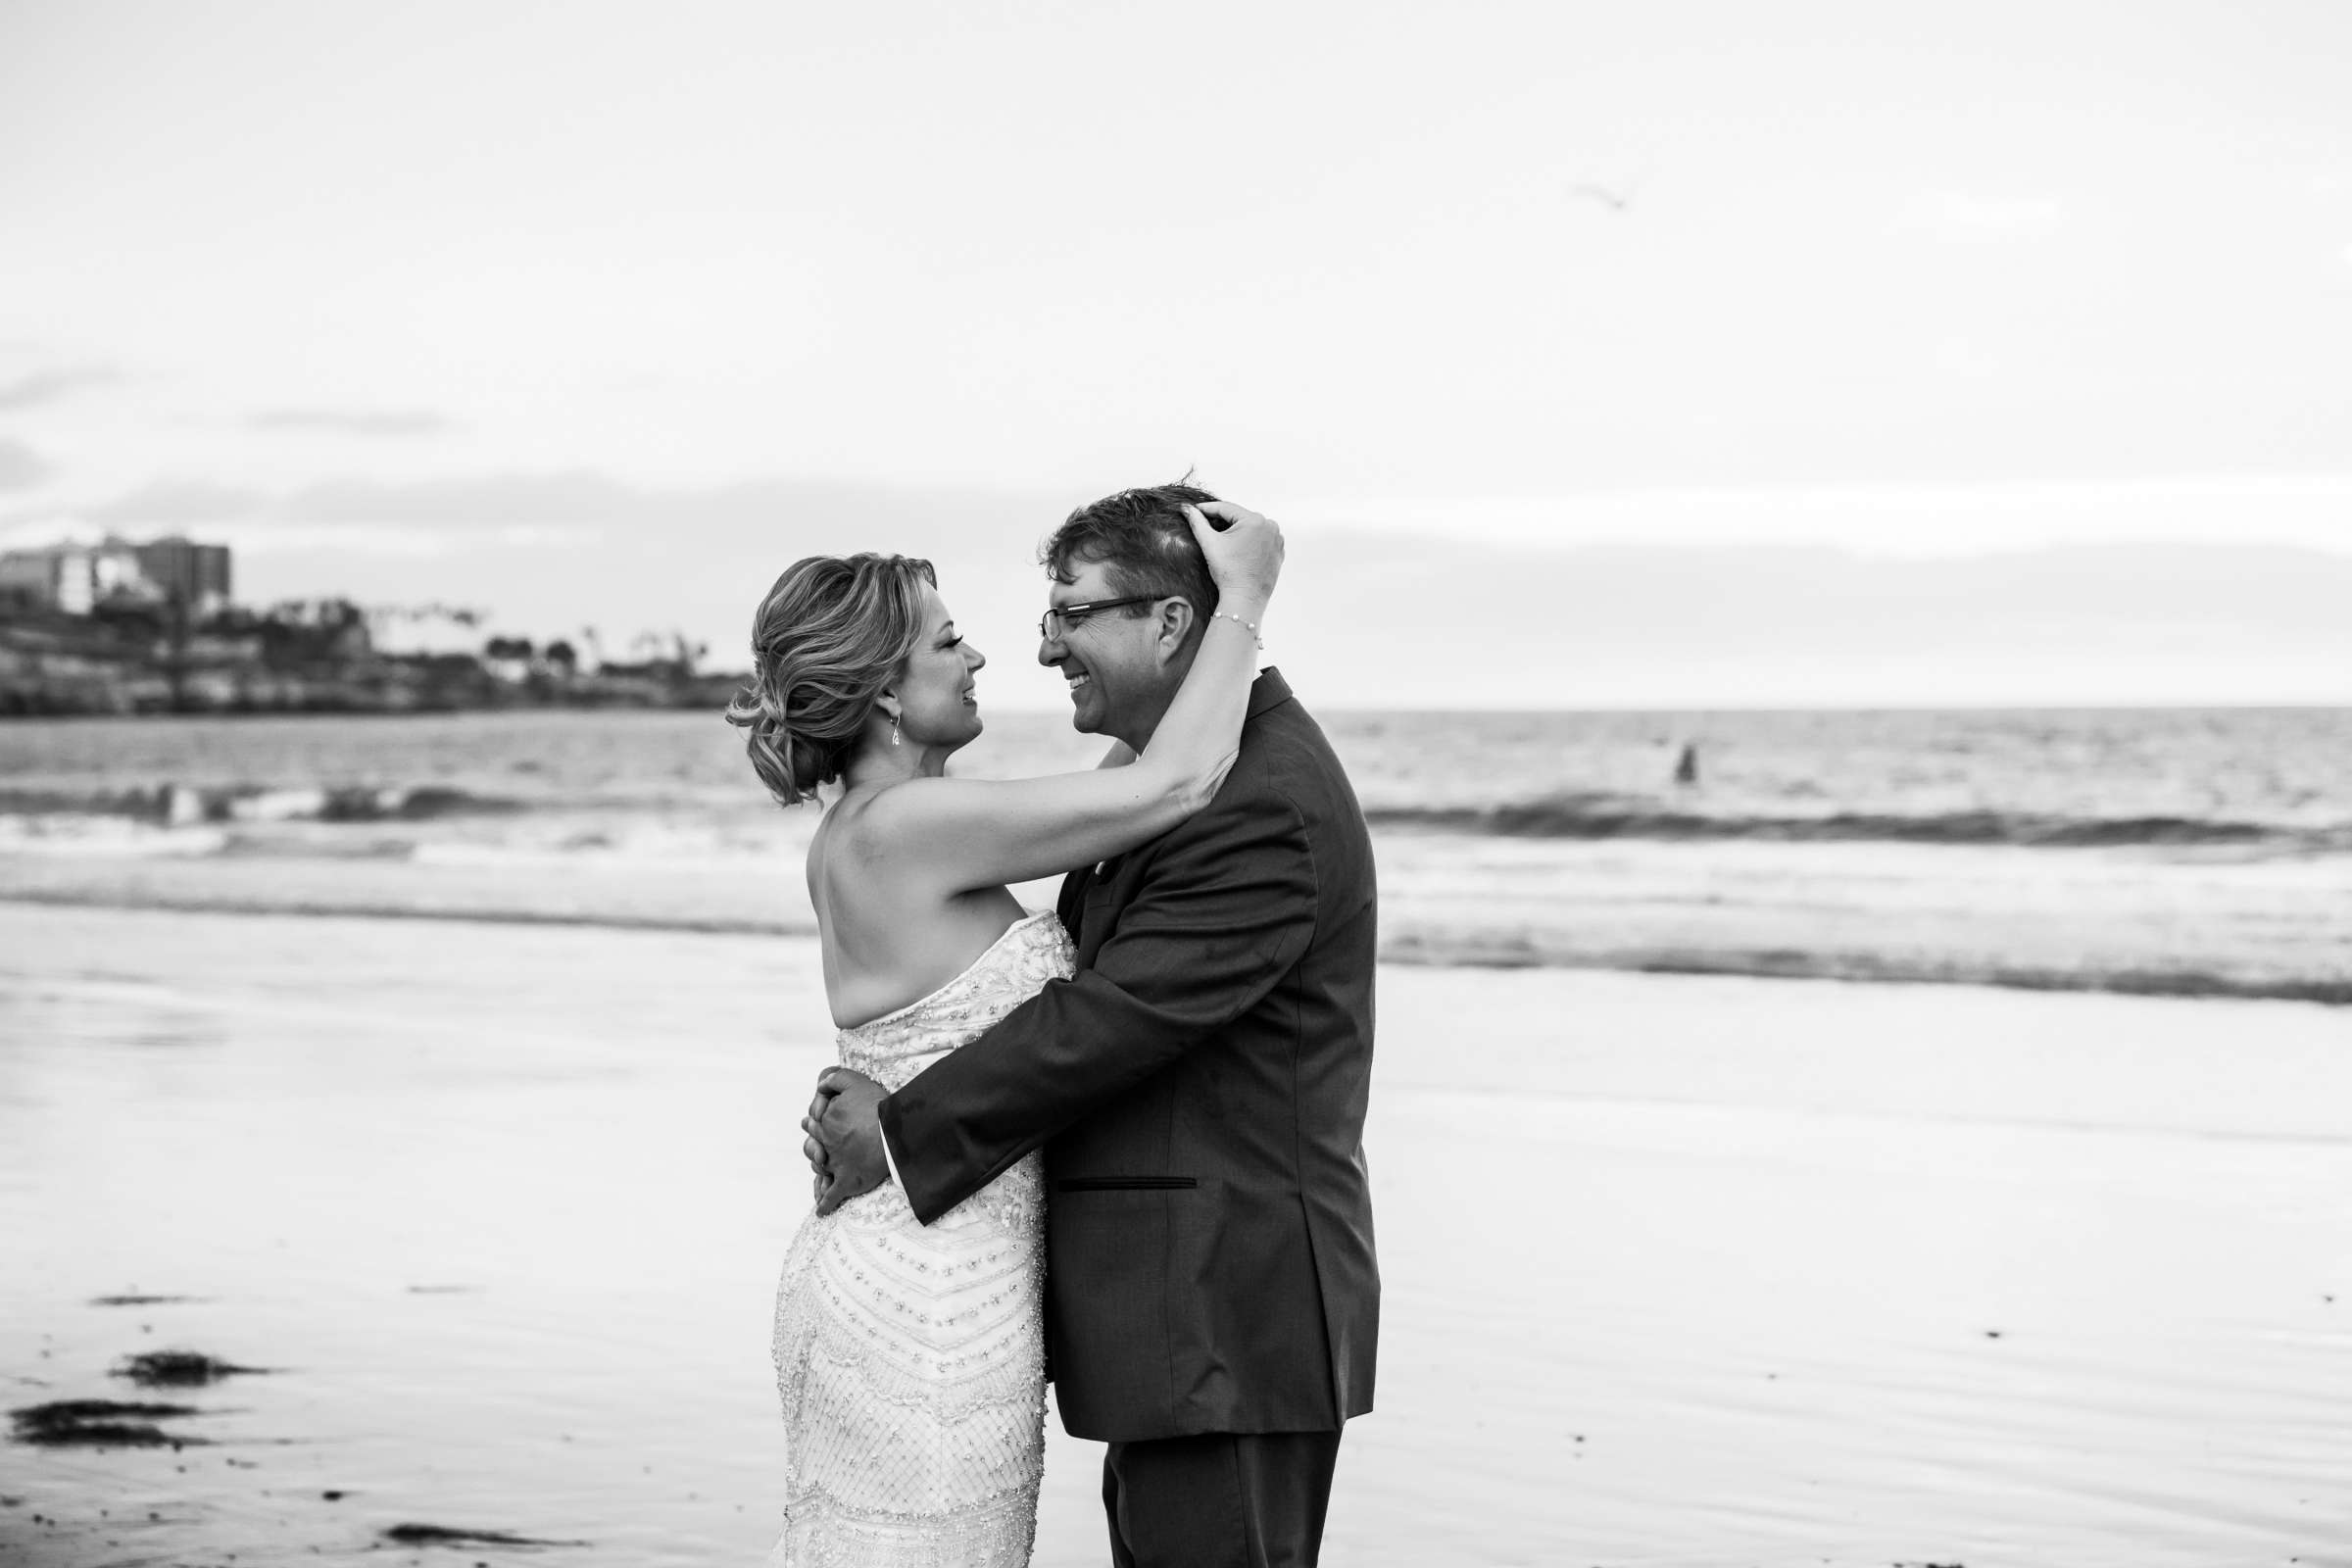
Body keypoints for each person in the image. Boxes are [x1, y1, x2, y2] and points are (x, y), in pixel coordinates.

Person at [804, 482, 1380, 1568]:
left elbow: (1110, 1020)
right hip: (1165, 1314)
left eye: (1071, 612)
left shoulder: (1258, 800)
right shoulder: (1180, 782)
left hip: (1224, 1315)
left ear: (1169, 623)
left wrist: (899, 1129)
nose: (1038, 646)